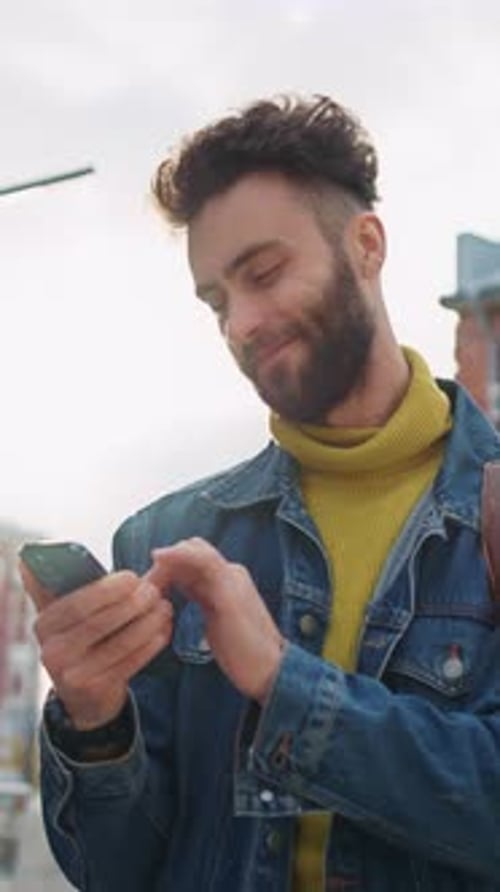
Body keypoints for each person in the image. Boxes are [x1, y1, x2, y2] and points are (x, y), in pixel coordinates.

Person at [22, 95, 500, 892]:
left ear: (367, 245)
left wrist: (285, 682)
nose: (240, 322)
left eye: (264, 274)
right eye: (216, 301)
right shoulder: (161, 538)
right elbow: (115, 869)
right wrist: (95, 721)